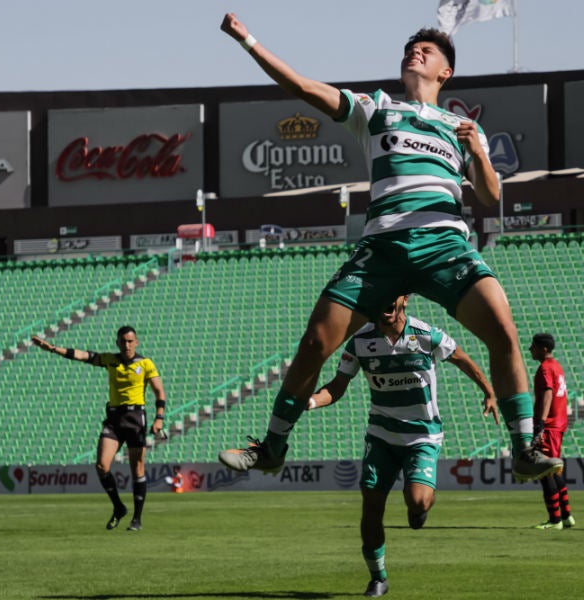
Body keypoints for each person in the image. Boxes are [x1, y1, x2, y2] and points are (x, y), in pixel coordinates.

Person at [216, 13, 562, 485]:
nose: (415, 52)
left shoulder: (462, 128)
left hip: (444, 245)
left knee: (503, 330)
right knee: (316, 343)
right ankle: (273, 447)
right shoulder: (376, 109)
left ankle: (524, 449)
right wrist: (247, 40)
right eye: (411, 49)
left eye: (427, 50)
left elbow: (491, 196)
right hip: (381, 248)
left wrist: (478, 154)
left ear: (446, 72)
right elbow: (300, 86)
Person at [305, 294, 498, 597]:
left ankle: (418, 508)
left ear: (404, 299)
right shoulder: (360, 342)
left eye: (391, 293)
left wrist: (488, 391)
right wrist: (312, 400)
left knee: (418, 501)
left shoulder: (426, 335)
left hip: (422, 435)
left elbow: (462, 358)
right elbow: (337, 386)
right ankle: (377, 577)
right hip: (381, 435)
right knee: (371, 505)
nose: (383, 299)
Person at [31, 326, 166, 531]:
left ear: (136, 342)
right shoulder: (110, 360)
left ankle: (137, 519)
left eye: (130, 341)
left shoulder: (146, 364)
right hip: (114, 419)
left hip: (135, 419)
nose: (127, 345)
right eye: (123, 341)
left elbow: (159, 392)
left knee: (137, 469)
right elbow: (83, 355)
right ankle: (118, 507)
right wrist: (52, 348)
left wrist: (159, 419)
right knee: (102, 466)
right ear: (117, 343)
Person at [528, 333, 575, 531]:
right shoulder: (557, 366)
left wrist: (540, 423)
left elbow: (548, 393)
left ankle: (554, 519)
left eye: (534, 346)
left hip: (549, 425)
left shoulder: (546, 368)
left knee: (545, 470)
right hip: (559, 424)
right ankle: (566, 516)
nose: (530, 349)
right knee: (554, 469)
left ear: (544, 349)